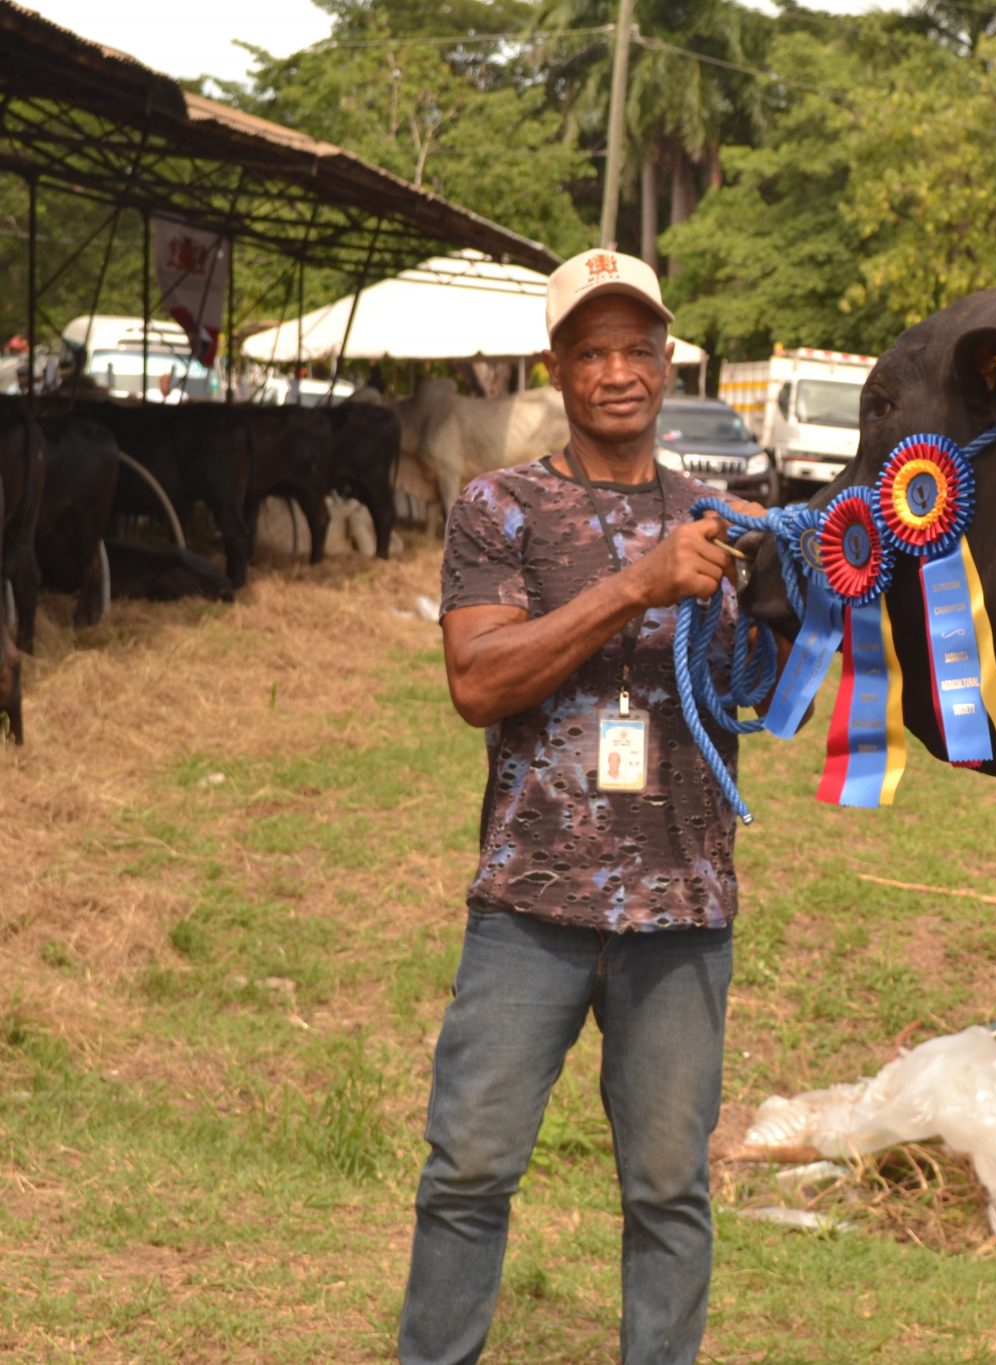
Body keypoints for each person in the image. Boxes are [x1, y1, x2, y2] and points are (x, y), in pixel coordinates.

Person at [399, 247, 775, 1365]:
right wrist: (635, 586)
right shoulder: (498, 509)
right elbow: (479, 684)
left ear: (666, 361)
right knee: (467, 1172)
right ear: (555, 367)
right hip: (528, 904)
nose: (618, 370)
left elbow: (758, 694)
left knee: (668, 1192)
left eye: (638, 348)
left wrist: (796, 598)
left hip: (682, 908)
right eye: (592, 350)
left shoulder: (724, 526)